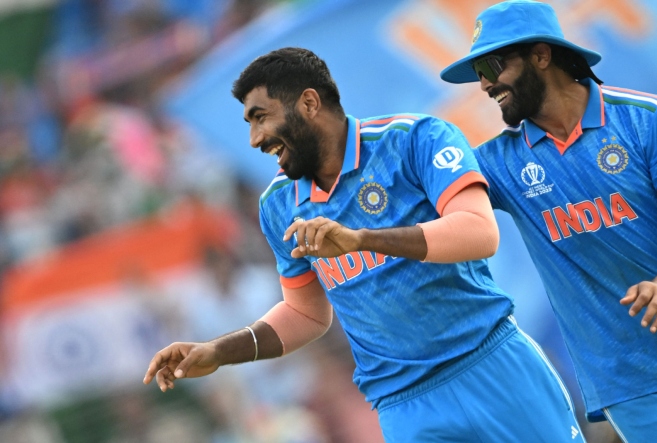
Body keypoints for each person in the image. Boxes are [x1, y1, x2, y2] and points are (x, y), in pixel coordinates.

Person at [143, 47, 586, 442]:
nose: (256, 139)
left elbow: (478, 232)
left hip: (494, 366)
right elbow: (305, 314)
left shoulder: (416, 139)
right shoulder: (278, 205)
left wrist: (361, 240)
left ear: (309, 103)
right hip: (404, 407)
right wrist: (219, 351)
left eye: (261, 117)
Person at [440, 1, 657, 442]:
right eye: (478, 69)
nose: (483, 83)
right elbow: (428, 206)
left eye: (492, 64)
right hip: (626, 379)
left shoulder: (647, 118)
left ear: (541, 55)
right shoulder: (496, 162)